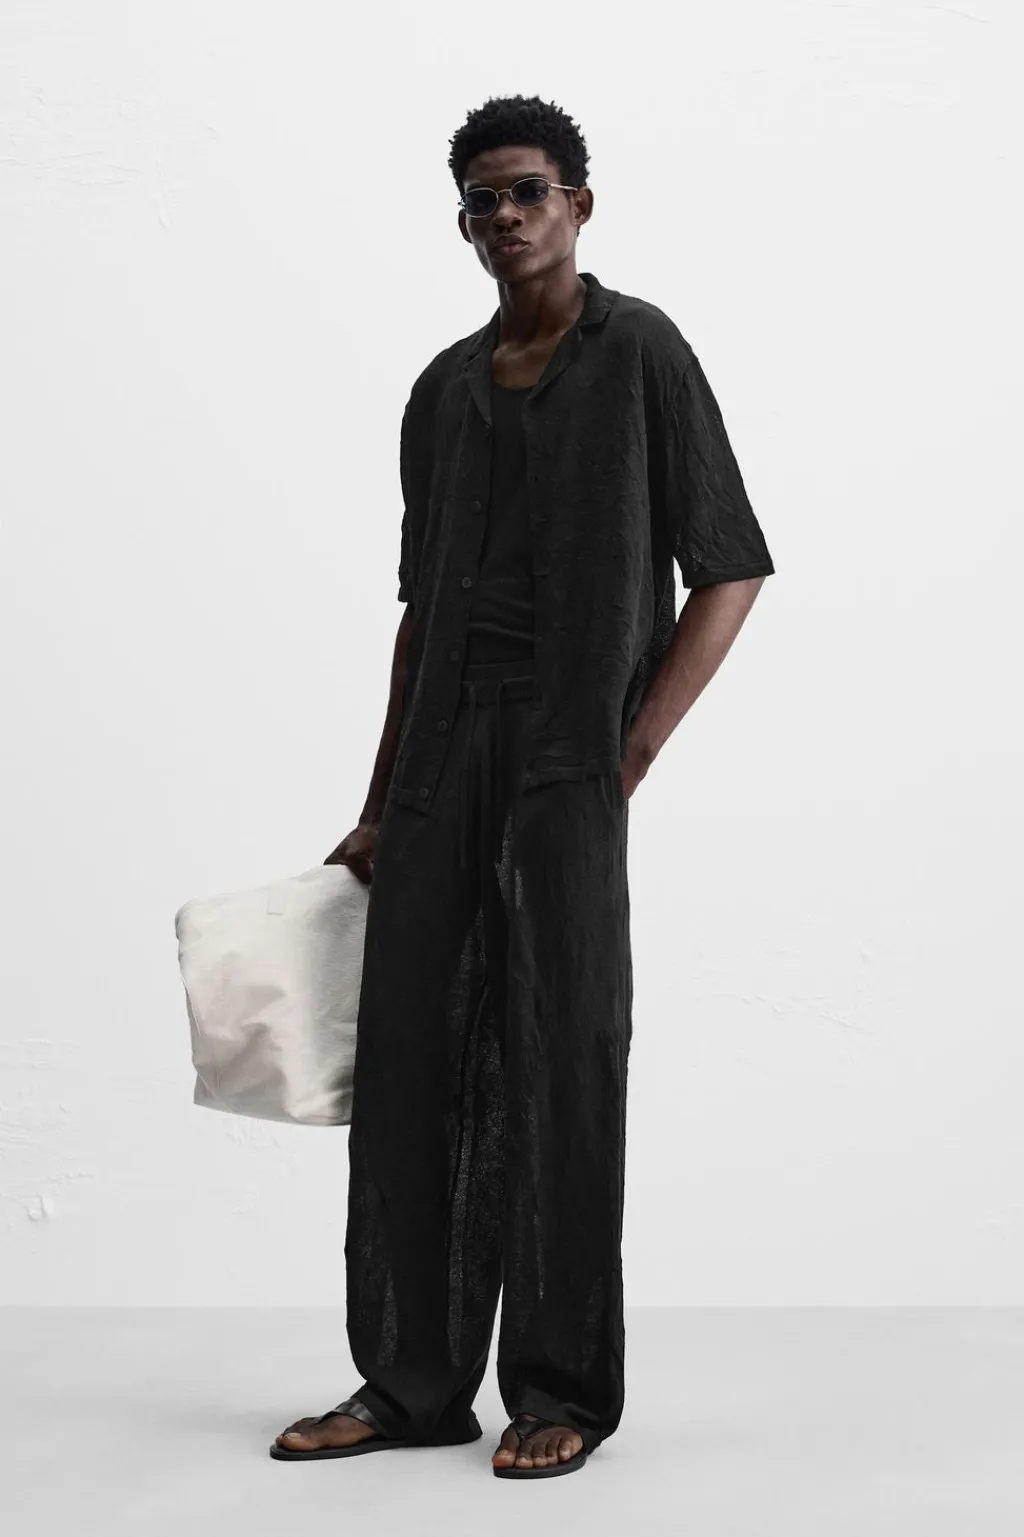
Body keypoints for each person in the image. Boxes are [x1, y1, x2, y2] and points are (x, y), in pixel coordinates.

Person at [272, 94, 775, 1480]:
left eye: (528, 191)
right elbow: (419, 614)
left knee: (562, 1053)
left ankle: (559, 1388)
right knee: (412, 1065)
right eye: (481, 200)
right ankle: (410, 1384)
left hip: (567, 761)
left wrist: (635, 743)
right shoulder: (441, 391)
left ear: (579, 205)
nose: (504, 216)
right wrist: (382, 799)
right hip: (441, 764)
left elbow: (729, 565)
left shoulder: (642, 353)